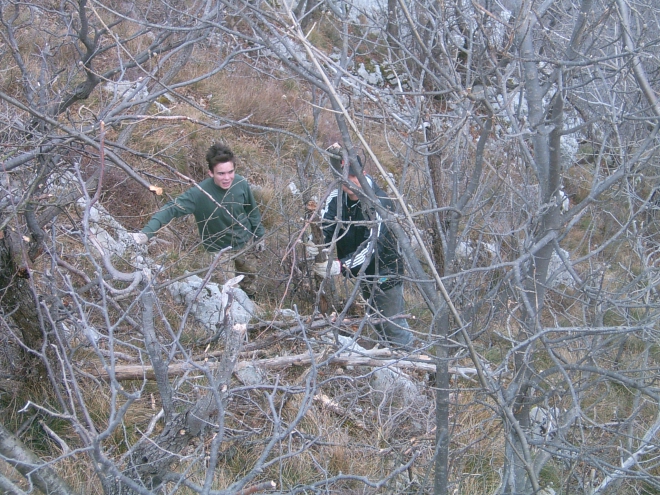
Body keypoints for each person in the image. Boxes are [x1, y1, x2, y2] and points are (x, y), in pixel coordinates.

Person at [313, 143, 413, 348]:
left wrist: (340, 266)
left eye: (354, 175)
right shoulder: (336, 197)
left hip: (385, 271)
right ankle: (391, 363)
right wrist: (315, 244)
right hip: (361, 273)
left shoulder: (379, 202)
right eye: (344, 178)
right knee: (376, 321)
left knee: (393, 326)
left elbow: (372, 246)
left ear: (363, 172)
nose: (351, 183)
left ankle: (415, 364)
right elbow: (326, 224)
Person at [132, 143, 265, 296]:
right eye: (221, 173)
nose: (227, 178)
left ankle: (252, 302)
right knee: (229, 293)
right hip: (218, 251)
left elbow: (252, 210)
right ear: (210, 173)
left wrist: (259, 235)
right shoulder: (199, 193)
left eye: (230, 172)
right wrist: (146, 233)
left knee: (250, 279)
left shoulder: (240, 183)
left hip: (245, 242)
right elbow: (170, 209)